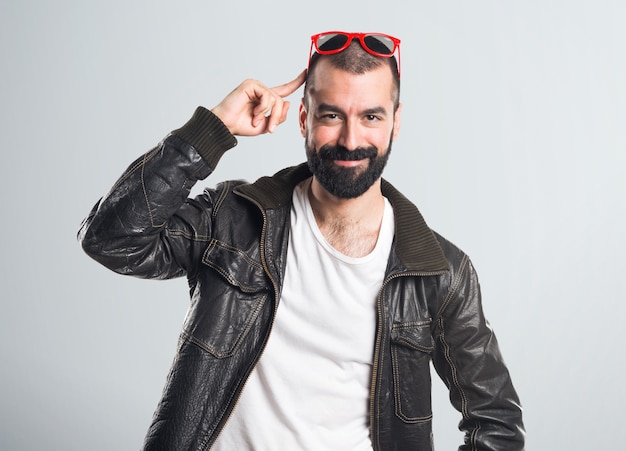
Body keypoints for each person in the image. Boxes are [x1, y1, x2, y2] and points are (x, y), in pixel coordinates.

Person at [79, 31, 525, 450]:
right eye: (332, 115)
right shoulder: (232, 218)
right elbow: (112, 240)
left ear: (395, 122)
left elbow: (496, 420)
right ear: (305, 119)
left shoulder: (439, 271)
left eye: (371, 116)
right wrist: (212, 130)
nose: (351, 140)